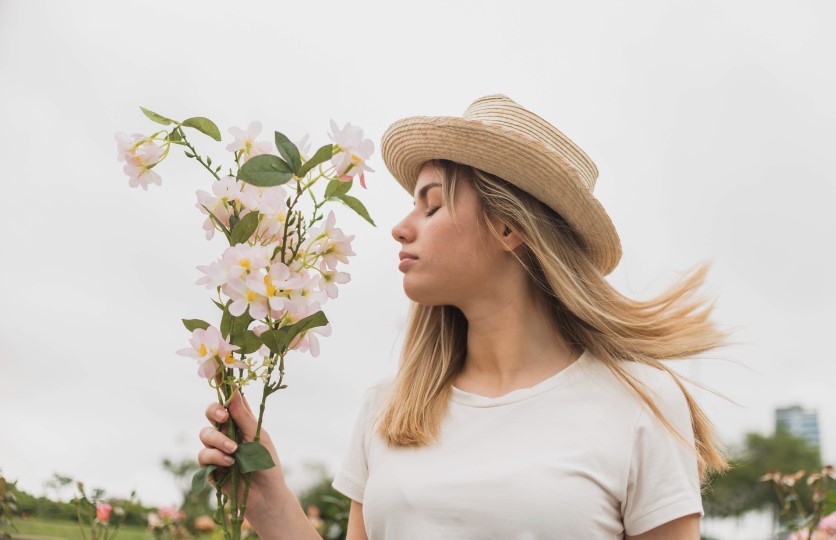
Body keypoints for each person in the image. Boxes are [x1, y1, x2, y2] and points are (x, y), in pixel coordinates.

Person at [197, 94, 733, 540]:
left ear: (508, 227)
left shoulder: (640, 402)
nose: (401, 228)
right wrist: (271, 504)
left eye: (431, 206)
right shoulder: (388, 408)